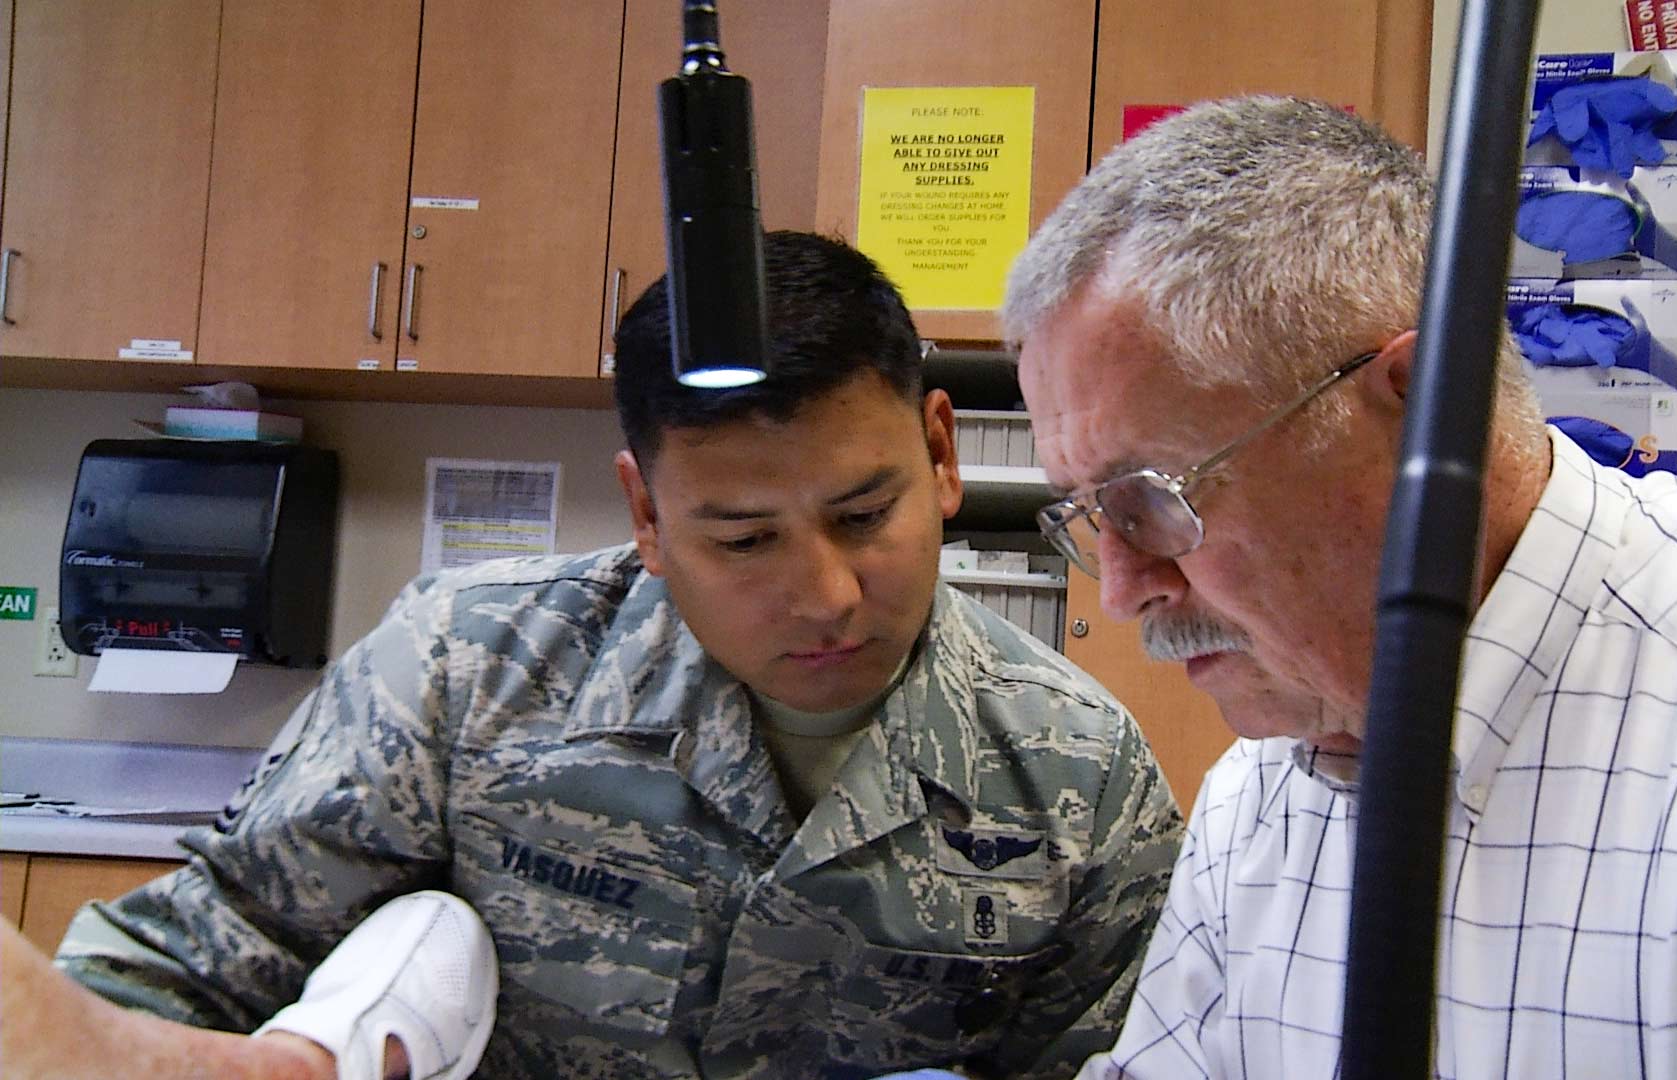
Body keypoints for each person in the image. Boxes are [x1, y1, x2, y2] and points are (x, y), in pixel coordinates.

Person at [34, 231, 1182, 1079]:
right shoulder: (467, 674)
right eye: (743, 539)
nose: (828, 595)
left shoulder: (1079, 778)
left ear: (940, 452)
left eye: (866, 514)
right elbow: (202, 955)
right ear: (645, 514)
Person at [1001, 96, 1677, 1078]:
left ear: (1421, 406)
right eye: (1093, 517)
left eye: (1152, 498)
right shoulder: (1261, 798)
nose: (1124, 592)